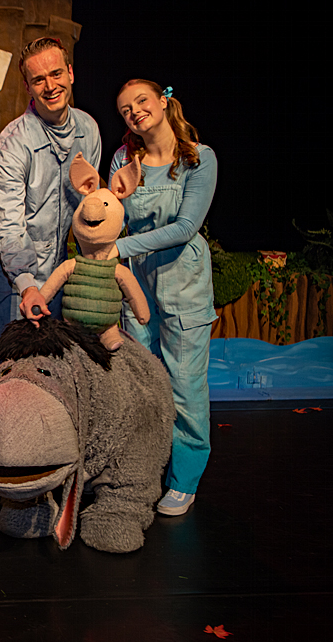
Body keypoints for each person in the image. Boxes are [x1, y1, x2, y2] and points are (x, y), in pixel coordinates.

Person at [110, 80, 218, 516]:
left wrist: (119, 247)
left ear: (162, 101)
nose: (135, 111)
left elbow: (185, 227)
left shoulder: (198, 158)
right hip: (138, 285)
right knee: (141, 382)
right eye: (125, 109)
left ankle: (184, 478)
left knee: (185, 385)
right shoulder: (124, 159)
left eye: (141, 101)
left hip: (183, 281)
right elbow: (113, 213)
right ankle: (145, 468)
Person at [0, 37, 102, 380]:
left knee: (50, 355)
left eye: (56, 74)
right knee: (6, 356)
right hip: (10, 267)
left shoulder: (89, 130)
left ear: (70, 73)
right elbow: (8, 223)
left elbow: (88, 205)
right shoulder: (13, 141)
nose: (50, 86)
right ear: (28, 87)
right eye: (38, 79)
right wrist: (26, 283)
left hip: (58, 263)